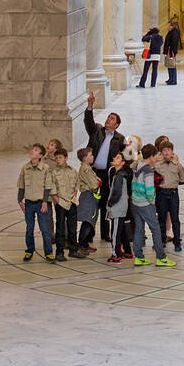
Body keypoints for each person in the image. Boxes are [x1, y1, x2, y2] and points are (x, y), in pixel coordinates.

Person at [83, 92, 125, 243]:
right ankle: (88, 233)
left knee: (105, 203)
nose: (108, 120)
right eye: (108, 117)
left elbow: (124, 156)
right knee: (91, 203)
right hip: (93, 173)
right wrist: (90, 106)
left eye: (112, 119)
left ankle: (105, 233)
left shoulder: (119, 139)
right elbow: (88, 122)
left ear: (116, 125)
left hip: (107, 175)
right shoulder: (97, 131)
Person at [131, 145, 176, 267]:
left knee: (139, 229)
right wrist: (152, 201)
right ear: (151, 156)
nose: (158, 157)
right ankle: (161, 257)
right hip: (145, 203)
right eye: (156, 155)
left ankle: (139, 257)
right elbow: (149, 190)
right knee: (156, 229)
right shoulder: (148, 171)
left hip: (136, 202)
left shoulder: (138, 165)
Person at [17, 143, 54, 263]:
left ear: (40, 155)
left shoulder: (45, 168)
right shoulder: (25, 168)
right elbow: (21, 186)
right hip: (28, 203)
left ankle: (49, 253)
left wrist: (44, 202)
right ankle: (29, 251)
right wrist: (20, 201)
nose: (32, 151)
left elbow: (48, 187)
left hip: (40, 203)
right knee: (29, 229)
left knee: (44, 229)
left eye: (36, 150)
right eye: (32, 149)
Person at [155, 141, 184, 254]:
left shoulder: (178, 165)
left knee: (175, 219)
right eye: (164, 150)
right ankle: (162, 240)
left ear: (172, 151)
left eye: (169, 150)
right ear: (161, 152)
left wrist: (173, 184)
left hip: (173, 193)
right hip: (161, 193)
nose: (167, 152)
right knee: (161, 219)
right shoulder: (157, 165)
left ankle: (177, 242)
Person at [49, 149, 80, 262]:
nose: (58, 160)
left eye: (60, 157)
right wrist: (59, 202)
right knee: (60, 228)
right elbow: (52, 190)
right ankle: (59, 252)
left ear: (66, 158)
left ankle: (73, 250)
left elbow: (76, 186)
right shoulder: (53, 172)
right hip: (60, 204)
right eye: (56, 158)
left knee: (73, 228)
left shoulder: (73, 171)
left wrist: (73, 198)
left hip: (71, 202)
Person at [104, 151, 131, 265]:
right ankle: (127, 252)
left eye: (118, 158)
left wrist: (110, 203)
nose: (114, 158)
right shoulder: (119, 174)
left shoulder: (119, 176)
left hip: (117, 208)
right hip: (120, 207)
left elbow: (116, 192)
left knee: (114, 232)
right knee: (120, 230)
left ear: (123, 162)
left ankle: (115, 255)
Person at [75, 147, 102, 257]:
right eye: (90, 155)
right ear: (85, 158)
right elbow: (94, 184)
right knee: (88, 221)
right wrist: (98, 182)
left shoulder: (88, 168)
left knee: (91, 220)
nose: (92, 157)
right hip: (88, 197)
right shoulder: (85, 169)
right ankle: (81, 245)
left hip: (91, 196)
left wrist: (97, 181)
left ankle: (85, 244)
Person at [163, 17, 181, 86]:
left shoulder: (174, 32)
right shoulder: (172, 31)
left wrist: (170, 51)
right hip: (169, 50)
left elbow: (173, 42)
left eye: (168, 25)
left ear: (172, 26)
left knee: (172, 65)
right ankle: (170, 78)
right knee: (169, 65)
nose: (167, 27)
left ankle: (173, 80)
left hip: (171, 51)